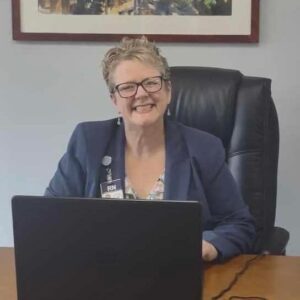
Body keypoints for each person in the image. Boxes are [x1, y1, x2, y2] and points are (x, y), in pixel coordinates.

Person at [45, 36, 256, 262]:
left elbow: (239, 223)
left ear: (168, 90)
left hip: (177, 273)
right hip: (102, 275)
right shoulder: (89, 142)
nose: (142, 93)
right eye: (127, 87)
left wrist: (209, 245)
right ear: (114, 100)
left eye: (151, 82)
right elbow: (51, 218)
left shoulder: (203, 147)